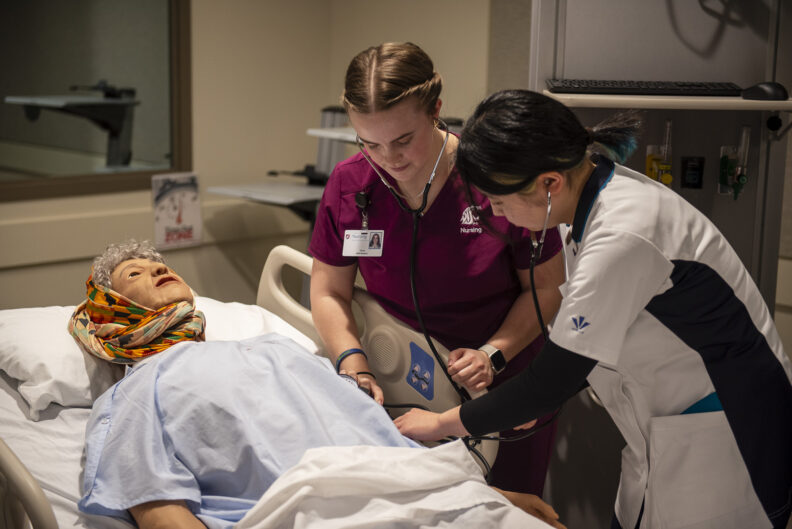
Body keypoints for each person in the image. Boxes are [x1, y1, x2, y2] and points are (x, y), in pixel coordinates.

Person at [394, 89, 792, 529]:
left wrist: (438, 425)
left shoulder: (623, 232)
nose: (494, 211)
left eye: (501, 201)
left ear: (550, 183)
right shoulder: (591, 197)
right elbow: (596, 336)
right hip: (667, 424)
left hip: (729, 431)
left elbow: (551, 380)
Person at [70, 240, 567, 529]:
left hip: (422, 499)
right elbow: (159, 507)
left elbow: (374, 440)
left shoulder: (273, 346)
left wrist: (488, 493)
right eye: (135, 272)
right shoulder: (133, 394)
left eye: (161, 264)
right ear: (111, 312)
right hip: (311, 514)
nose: (158, 267)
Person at [308, 42, 565, 496]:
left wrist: (493, 353)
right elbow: (329, 291)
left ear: (436, 111)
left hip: (502, 387)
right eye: (369, 143)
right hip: (400, 382)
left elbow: (546, 289)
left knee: (505, 514)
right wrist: (353, 364)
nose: (389, 158)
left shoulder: (492, 181)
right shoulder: (351, 184)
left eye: (404, 139)